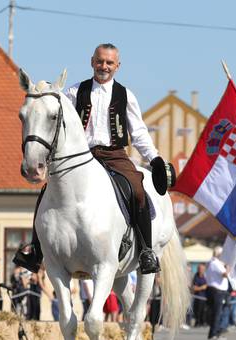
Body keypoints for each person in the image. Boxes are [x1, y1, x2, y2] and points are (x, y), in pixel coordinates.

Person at [13, 43, 173, 276]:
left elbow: (138, 132)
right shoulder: (74, 92)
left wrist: (155, 159)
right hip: (81, 155)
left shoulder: (125, 95)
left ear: (117, 66)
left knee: (138, 189)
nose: (104, 66)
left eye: (109, 62)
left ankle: (146, 250)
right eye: (100, 61)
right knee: (48, 191)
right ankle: (36, 249)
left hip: (114, 155)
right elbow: (55, 120)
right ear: (92, 62)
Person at [205, 246, 229, 340]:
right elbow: (225, 274)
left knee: (215, 313)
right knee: (217, 313)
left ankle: (215, 332)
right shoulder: (216, 263)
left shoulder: (212, 262)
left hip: (214, 290)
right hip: (217, 291)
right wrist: (229, 267)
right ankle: (214, 333)